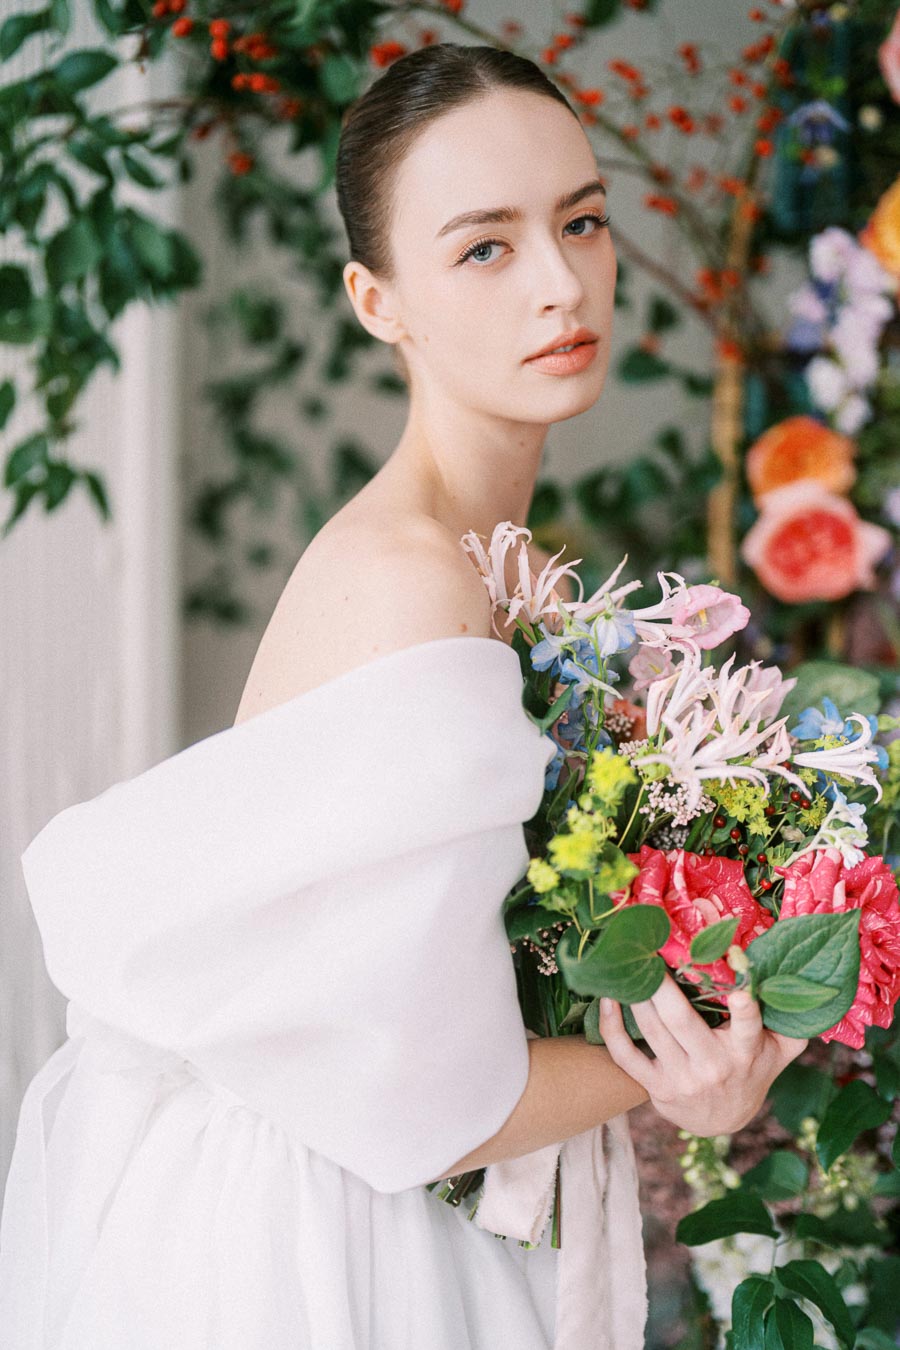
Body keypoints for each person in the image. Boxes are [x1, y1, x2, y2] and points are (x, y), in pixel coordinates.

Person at [0, 42, 807, 1350]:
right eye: (485, 247)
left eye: (581, 221)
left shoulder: (520, 568)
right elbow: (434, 1093)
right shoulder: (410, 579)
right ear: (379, 301)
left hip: (408, 1195)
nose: (560, 281)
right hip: (314, 1240)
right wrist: (683, 1066)